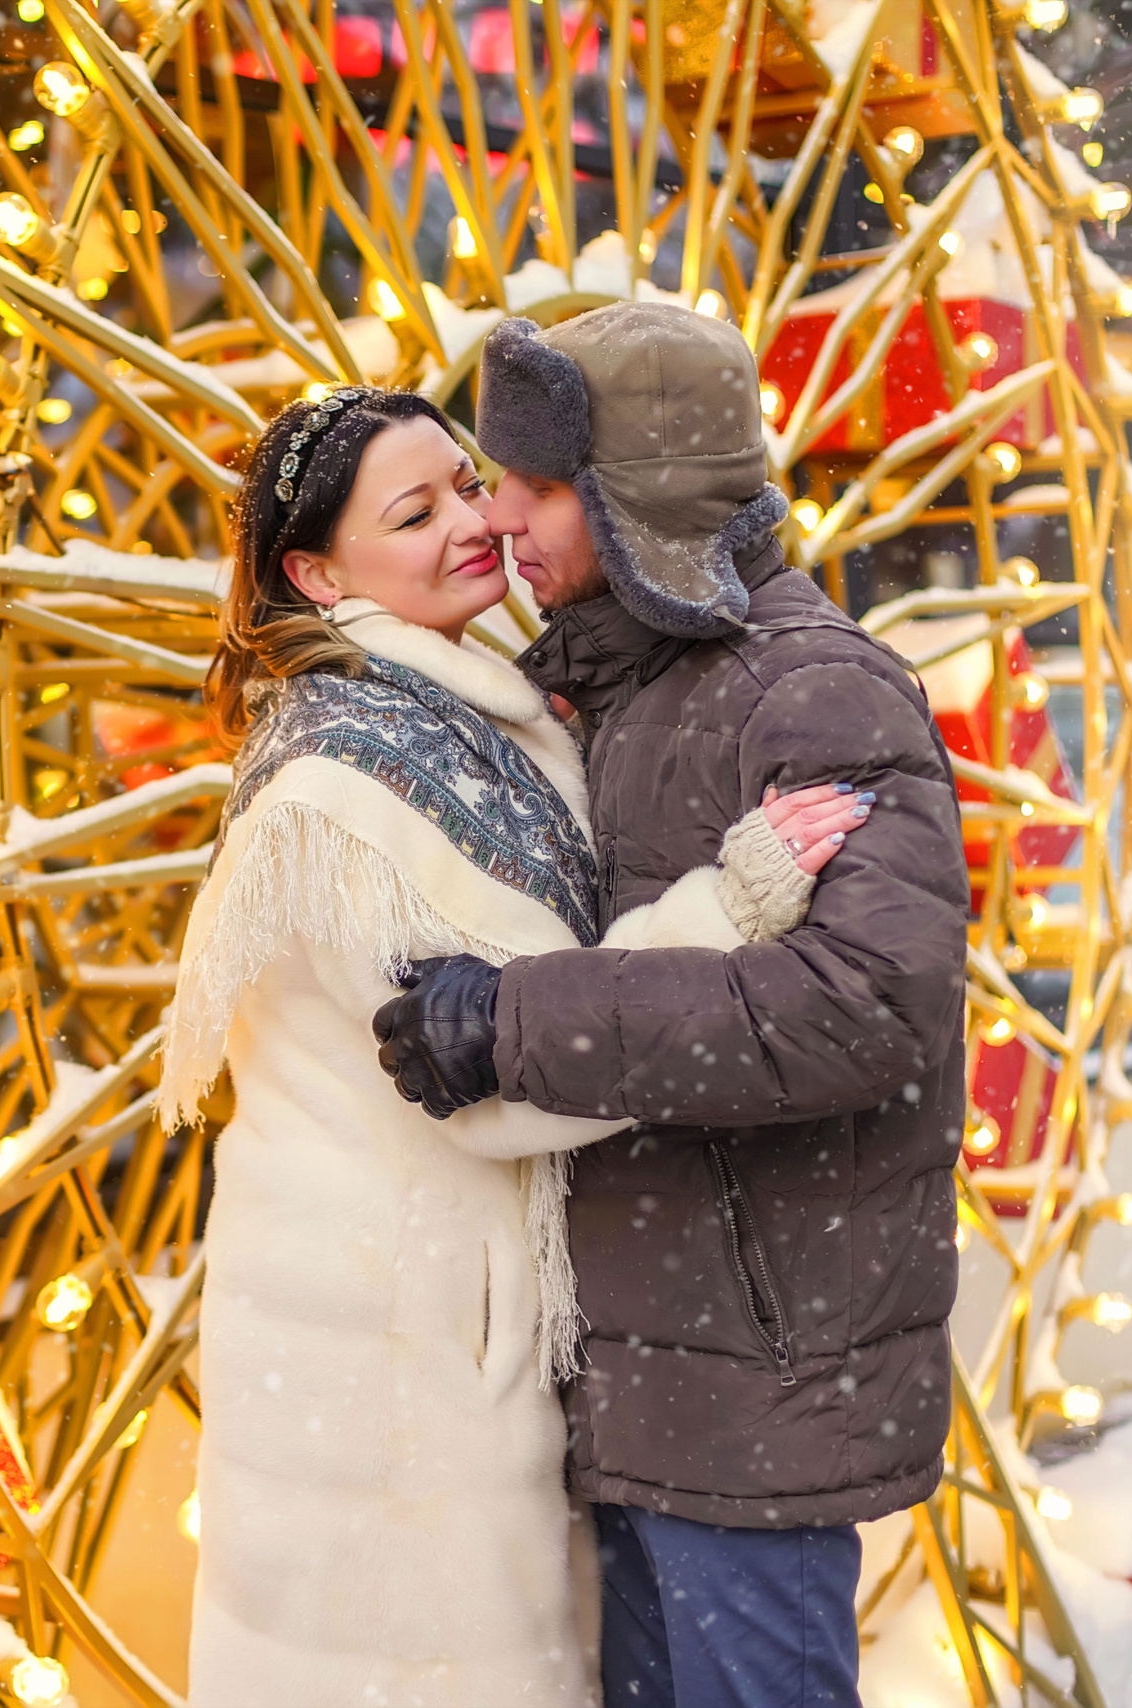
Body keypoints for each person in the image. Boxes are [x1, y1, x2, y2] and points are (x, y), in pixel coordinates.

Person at [166, 384, 872, 1708]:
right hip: (393, 1361)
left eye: (470, 484)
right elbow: (492, 1079)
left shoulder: (466, 717)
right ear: (316, 572)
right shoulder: (348, 784)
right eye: (414, 511)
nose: (472, 523)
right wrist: (736, 900)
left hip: (451, 1320)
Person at [370, 302, 970, 1708]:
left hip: (758, 1374)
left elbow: (865, 1005)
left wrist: (517, 1023)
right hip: (654, 1370)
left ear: (635, 498)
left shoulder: (809, 688)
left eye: (538, 483)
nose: (500, 514)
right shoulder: (624, 686)